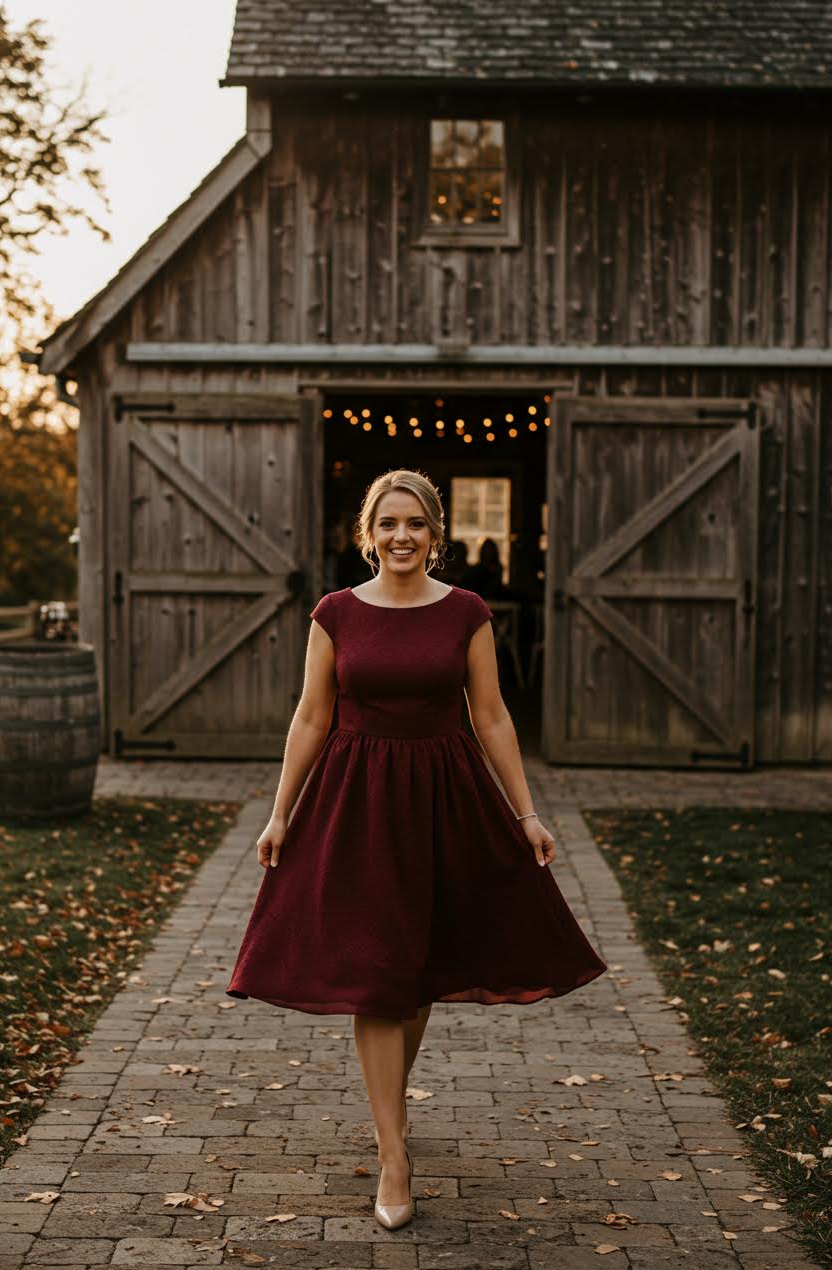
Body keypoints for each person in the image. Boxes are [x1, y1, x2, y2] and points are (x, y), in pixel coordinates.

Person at [226, 467, 608, 1231]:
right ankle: (393, 1153)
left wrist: (526, 814)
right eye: (389, 523)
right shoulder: (335, 613)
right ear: (369, 533)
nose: (403, 536)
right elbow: (310, 718)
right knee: (376, 973)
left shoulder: (466, 612)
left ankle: (389, 1110)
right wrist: (278, 816)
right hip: (356, 800)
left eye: (417, 524)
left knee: (418, 963)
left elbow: (493, 717)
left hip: (443, 797)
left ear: (437, 535)